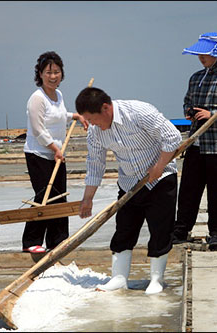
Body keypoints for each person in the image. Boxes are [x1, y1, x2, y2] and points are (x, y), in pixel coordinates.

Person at [75, 87, 182, 294]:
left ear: (105, 108)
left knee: (160, 230)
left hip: (160, 178)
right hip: (129, 183)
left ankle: (156, 280)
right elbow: (95, 163)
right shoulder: (95, 131)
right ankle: (119, 278)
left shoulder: (138, 112)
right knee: (124, 230)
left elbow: (172, 137)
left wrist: (159, 167)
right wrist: (87, 198)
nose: (92, 125)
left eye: (93, 119)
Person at [172, 32, 217, 249]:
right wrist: (190, 111)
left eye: (204, 54)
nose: (201, 58)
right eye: (199, 54)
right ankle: (181, 229)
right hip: (196, 142)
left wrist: (212, 114)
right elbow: (188, 100)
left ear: (216, 55)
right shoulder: (195, 78)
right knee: (188, 189)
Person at [22, 51, 88, 254]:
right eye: (49, 72)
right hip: (39, 154)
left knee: (59, 197)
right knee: (44, 196)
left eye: (57, 72)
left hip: (57, 153)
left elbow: (59, 116)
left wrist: (75, 115)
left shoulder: (58, 95)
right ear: (40, 74)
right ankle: (31, 241)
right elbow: (38, 129)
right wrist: (54, 149)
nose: (53, 76)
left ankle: (57, 240)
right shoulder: (37, 98)